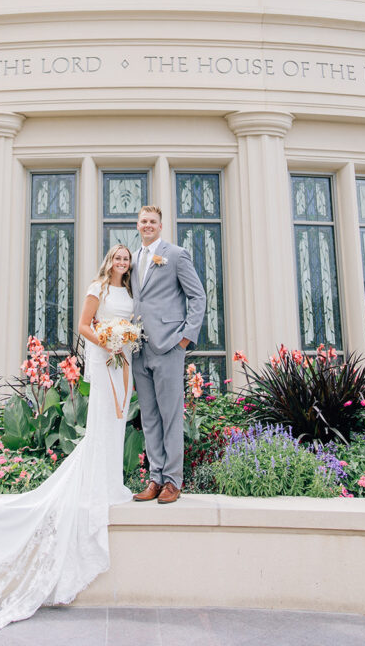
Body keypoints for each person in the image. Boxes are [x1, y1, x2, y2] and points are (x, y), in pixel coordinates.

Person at [0, 244, 136, 635]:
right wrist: (108, 343)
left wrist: (126, 341)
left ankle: (113, 482)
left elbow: (127, 324)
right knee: (100, 424)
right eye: (118, 258)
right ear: (108, 261)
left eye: (126, 259)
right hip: (105, 359)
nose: (122, 263)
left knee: (117, 424)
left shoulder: (128, 292)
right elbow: (84, 327)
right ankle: (97, 483)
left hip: (123, 363)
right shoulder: (97, 286)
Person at [131, 204, 206, 504]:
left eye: (153, 221)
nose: (147, 225)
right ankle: (155, 478)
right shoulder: (133, 258)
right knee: (149, 417)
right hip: (139, 349)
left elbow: (197, 296)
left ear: (160, 226)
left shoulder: (176, 255)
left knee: (171, 416)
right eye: (143, 221)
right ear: (138, 225)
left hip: (169, 347)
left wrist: (185, 339)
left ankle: (173, 481)